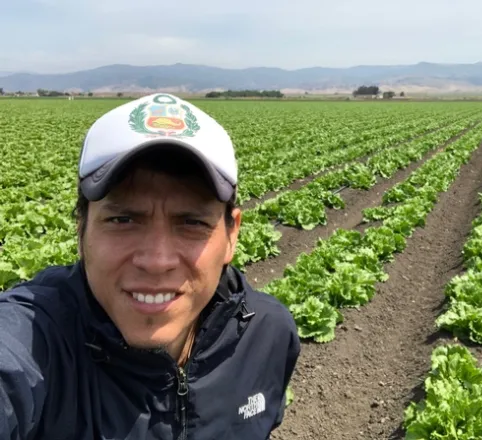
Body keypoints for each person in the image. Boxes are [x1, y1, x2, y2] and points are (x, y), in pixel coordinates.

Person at [0, 93, 300, 439]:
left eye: (191, 222)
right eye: (123, 219)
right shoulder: (38, 340)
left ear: (232, 235)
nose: (157, 261)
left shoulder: (268, 336)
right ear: (80, 229)